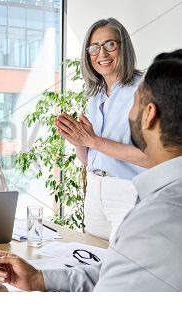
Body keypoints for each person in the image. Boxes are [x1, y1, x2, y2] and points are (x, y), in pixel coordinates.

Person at [0, 50, 182, 292]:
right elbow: (118, 269)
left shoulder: (157, 217)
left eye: (134, 101)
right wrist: (41, 279)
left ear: (149, 115)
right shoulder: (162, 202)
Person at [55, 18, 149, 240]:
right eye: (94, 47)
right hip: (95, 191)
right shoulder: (95, 94)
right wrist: (79, 142)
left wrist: (93, 140)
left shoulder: (145, 89)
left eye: (110, 45)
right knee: (92, 261)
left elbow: (151, 158)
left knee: (123, 268)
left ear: (123, 47)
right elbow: (92, 159)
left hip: (129, 192)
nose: (102, 53)